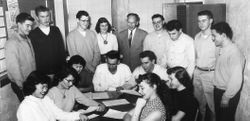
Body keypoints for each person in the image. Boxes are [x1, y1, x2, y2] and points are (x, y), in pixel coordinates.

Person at [17, 71, 89, 121]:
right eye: (42, 87)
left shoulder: (45, 99)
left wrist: (77, 115)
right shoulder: (25, 108)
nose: (45, 90)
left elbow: (59, 114)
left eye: (46, 87)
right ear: (33, 85)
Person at [211, 22, 245, 121]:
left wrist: (226, 97)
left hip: (227, 93)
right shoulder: (219, 48)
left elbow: (236, 79)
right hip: (218, 90)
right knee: (219, 118)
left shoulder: (235, 53)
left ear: (223, 35)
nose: (212, 38)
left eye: (214, 36)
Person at [5, 12, 36, 101]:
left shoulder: (27, 39)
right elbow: (14, 68)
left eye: (31, 26)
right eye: (27, 25)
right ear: (19, 24)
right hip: (22, 84)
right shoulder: (12, 43)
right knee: (28, 110)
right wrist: (22, 86)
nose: (30, 28)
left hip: (30, 81)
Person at [67, 10, 100, 90]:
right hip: (80, 70)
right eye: (83, 20)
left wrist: (94, 66)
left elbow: (97, 52)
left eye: (87, 20)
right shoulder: (71, 35)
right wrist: (89, 67)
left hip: (93, 69)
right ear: (77, 20)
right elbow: (75, 56)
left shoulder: (92, 34)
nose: (86, 23)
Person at [29, 5, 66, 77]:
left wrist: (64, 69)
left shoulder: (56, 30)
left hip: (58, 71)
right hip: (42, 73)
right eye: (42, 17)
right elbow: (33, 56)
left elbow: (61, 50)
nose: (46, 19)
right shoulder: (33, 34)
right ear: (37, 18)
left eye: (47, 16)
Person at [193, 10, 216, 121]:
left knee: (212, 105)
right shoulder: (197, 37)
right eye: (199, 21)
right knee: (199, 103)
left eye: (204, 21)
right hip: (197, 73)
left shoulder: (216, 36)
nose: (201, 23)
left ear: (211, 21)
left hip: (210, 74)